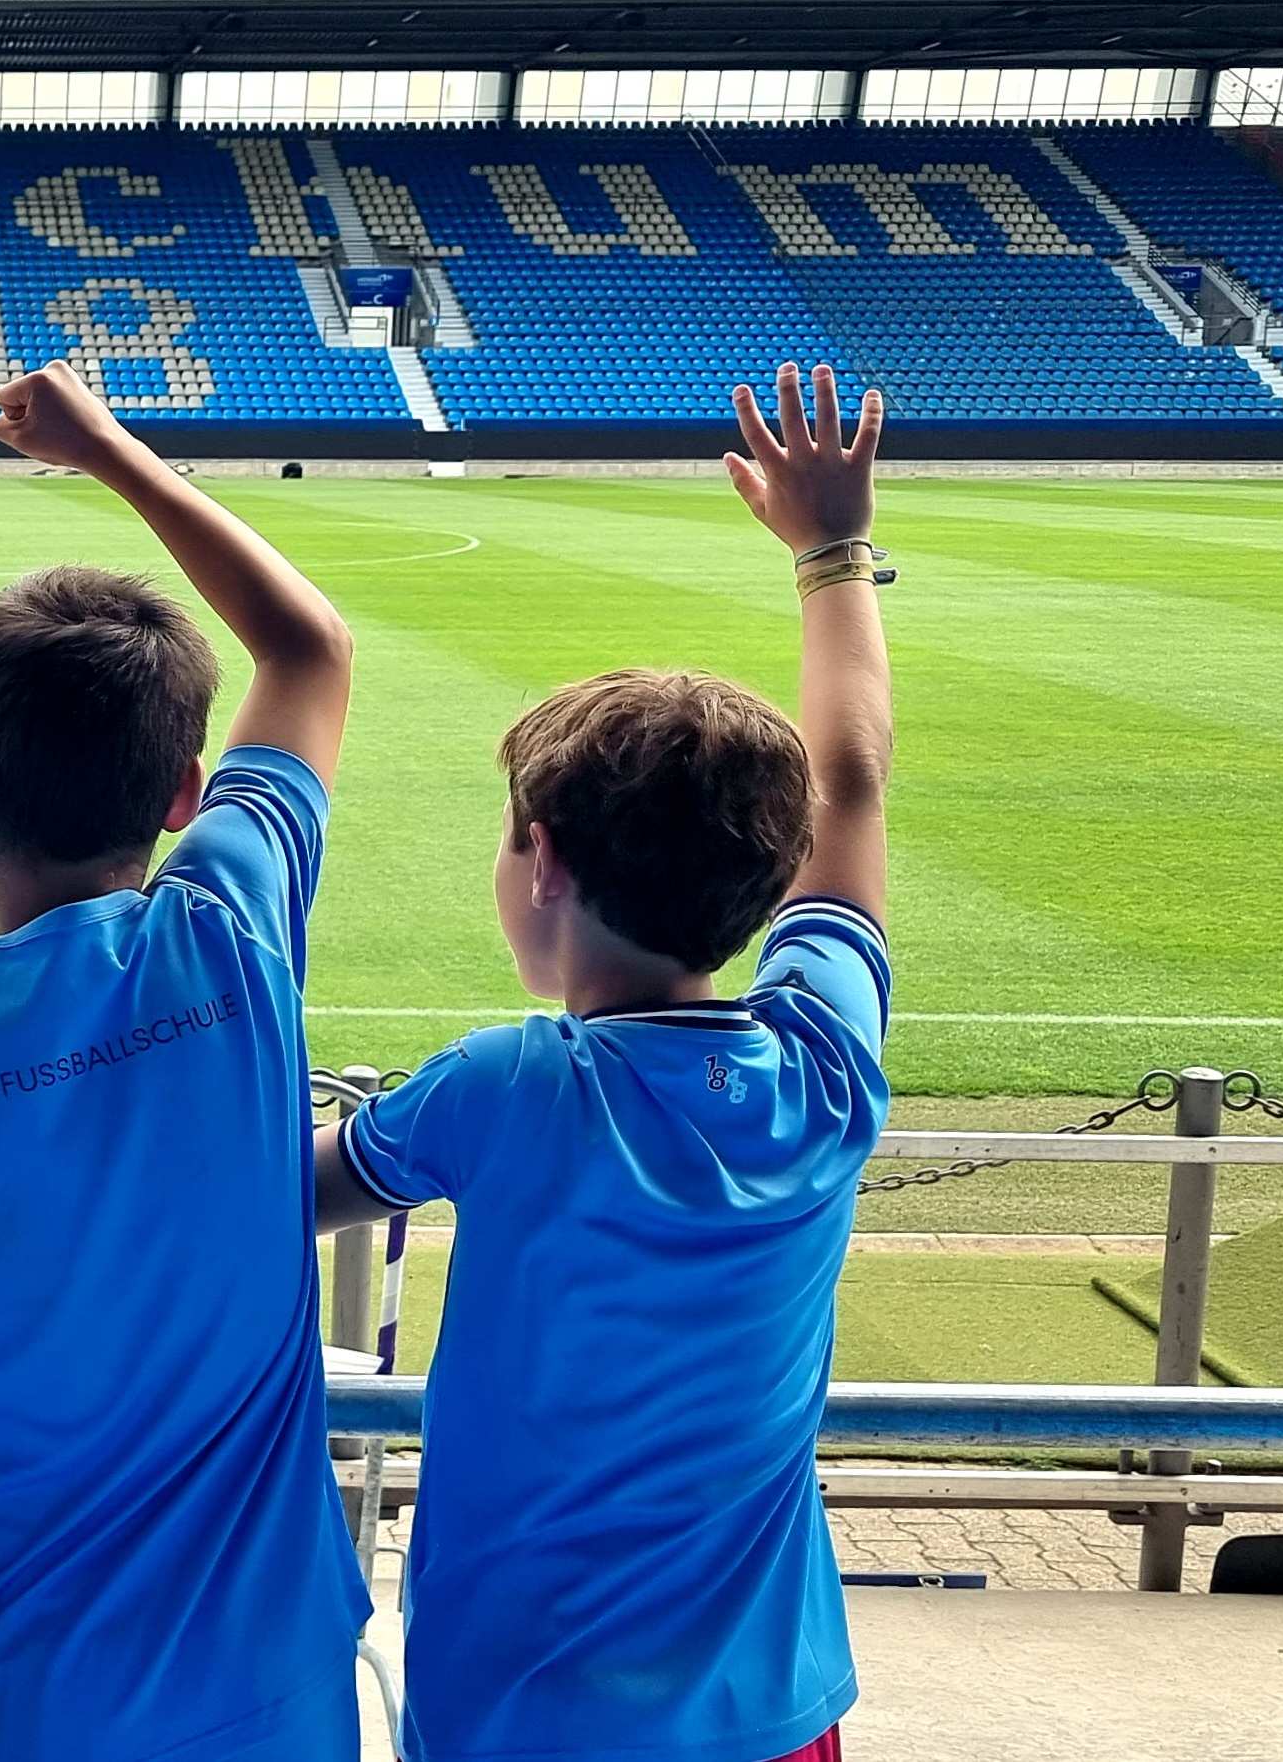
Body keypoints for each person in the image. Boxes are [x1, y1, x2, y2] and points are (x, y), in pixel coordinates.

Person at [321, 365, 896, 1762]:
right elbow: (856, 782)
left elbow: (291, 1187)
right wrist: (830, 553)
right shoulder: (822, 1059)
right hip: (767, 1712)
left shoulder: (509, 1087)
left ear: (546, 867)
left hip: (519, 1715)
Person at [0, 363, 366, 1762]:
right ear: (185, 797)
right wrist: (105, 449)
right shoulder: (229, 930)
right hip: (273, 1673)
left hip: (28, 1683)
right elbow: (303, 649)